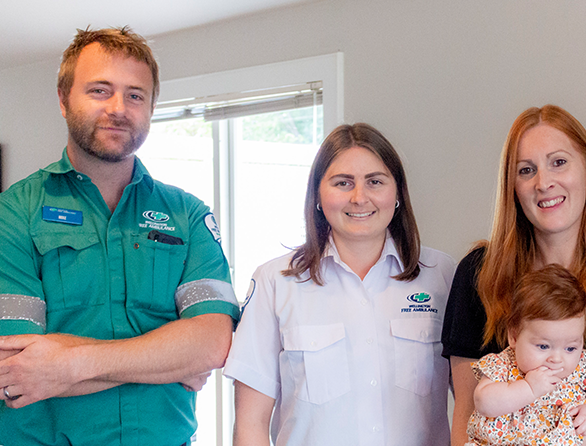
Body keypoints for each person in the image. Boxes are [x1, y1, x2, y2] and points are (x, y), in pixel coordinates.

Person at [0, 27, 239, 445]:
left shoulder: (188, 215)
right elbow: (14, 365)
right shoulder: (14, 213)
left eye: (135, 95)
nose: (119, 108)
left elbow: (212, 343)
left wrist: (68, 366)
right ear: (63, 99)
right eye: (99, 90)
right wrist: (167, 359)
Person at [224, 123, 456, 445]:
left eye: (375, 181)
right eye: (343, 183)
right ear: (318, 195)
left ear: (398, 193)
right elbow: (251, 424)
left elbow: (474, 402)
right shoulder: (275, 283)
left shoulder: (442, 275)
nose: (359, 198)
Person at [442, 104, 586, 446]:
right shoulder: (478, 275)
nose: (543, 182)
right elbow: (466, 419)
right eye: (526, 170)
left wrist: (552, 442)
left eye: (558, 162)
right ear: (512, 186)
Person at [467, 264, 586, 446]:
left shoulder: (584, 367)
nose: (557, 359)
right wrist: (529, 388)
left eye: (570, 348)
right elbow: (483, 402)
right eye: (543, 346)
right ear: (513, 336)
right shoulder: (504, 366)